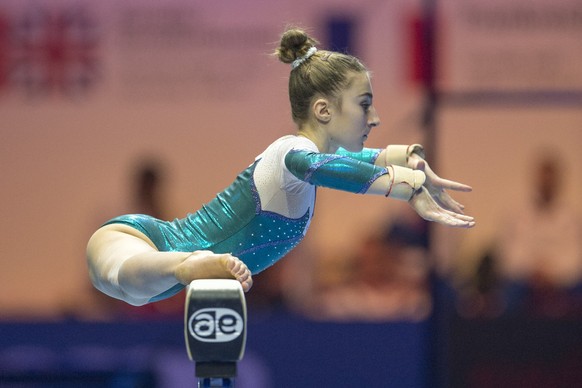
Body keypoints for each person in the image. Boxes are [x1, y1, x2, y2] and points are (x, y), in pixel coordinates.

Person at [86, 28, 475, 307]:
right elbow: (331, 169)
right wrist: (406, 187)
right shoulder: (291, 153)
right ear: (323, 110)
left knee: (137, 292)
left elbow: (354, 161)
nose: (374, 117)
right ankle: (192, 264)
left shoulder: (309, 160)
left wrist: (413, 162)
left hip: (158, 272)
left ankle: (190, 265)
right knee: (127, 284)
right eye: (364, 105)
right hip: (140, 241)